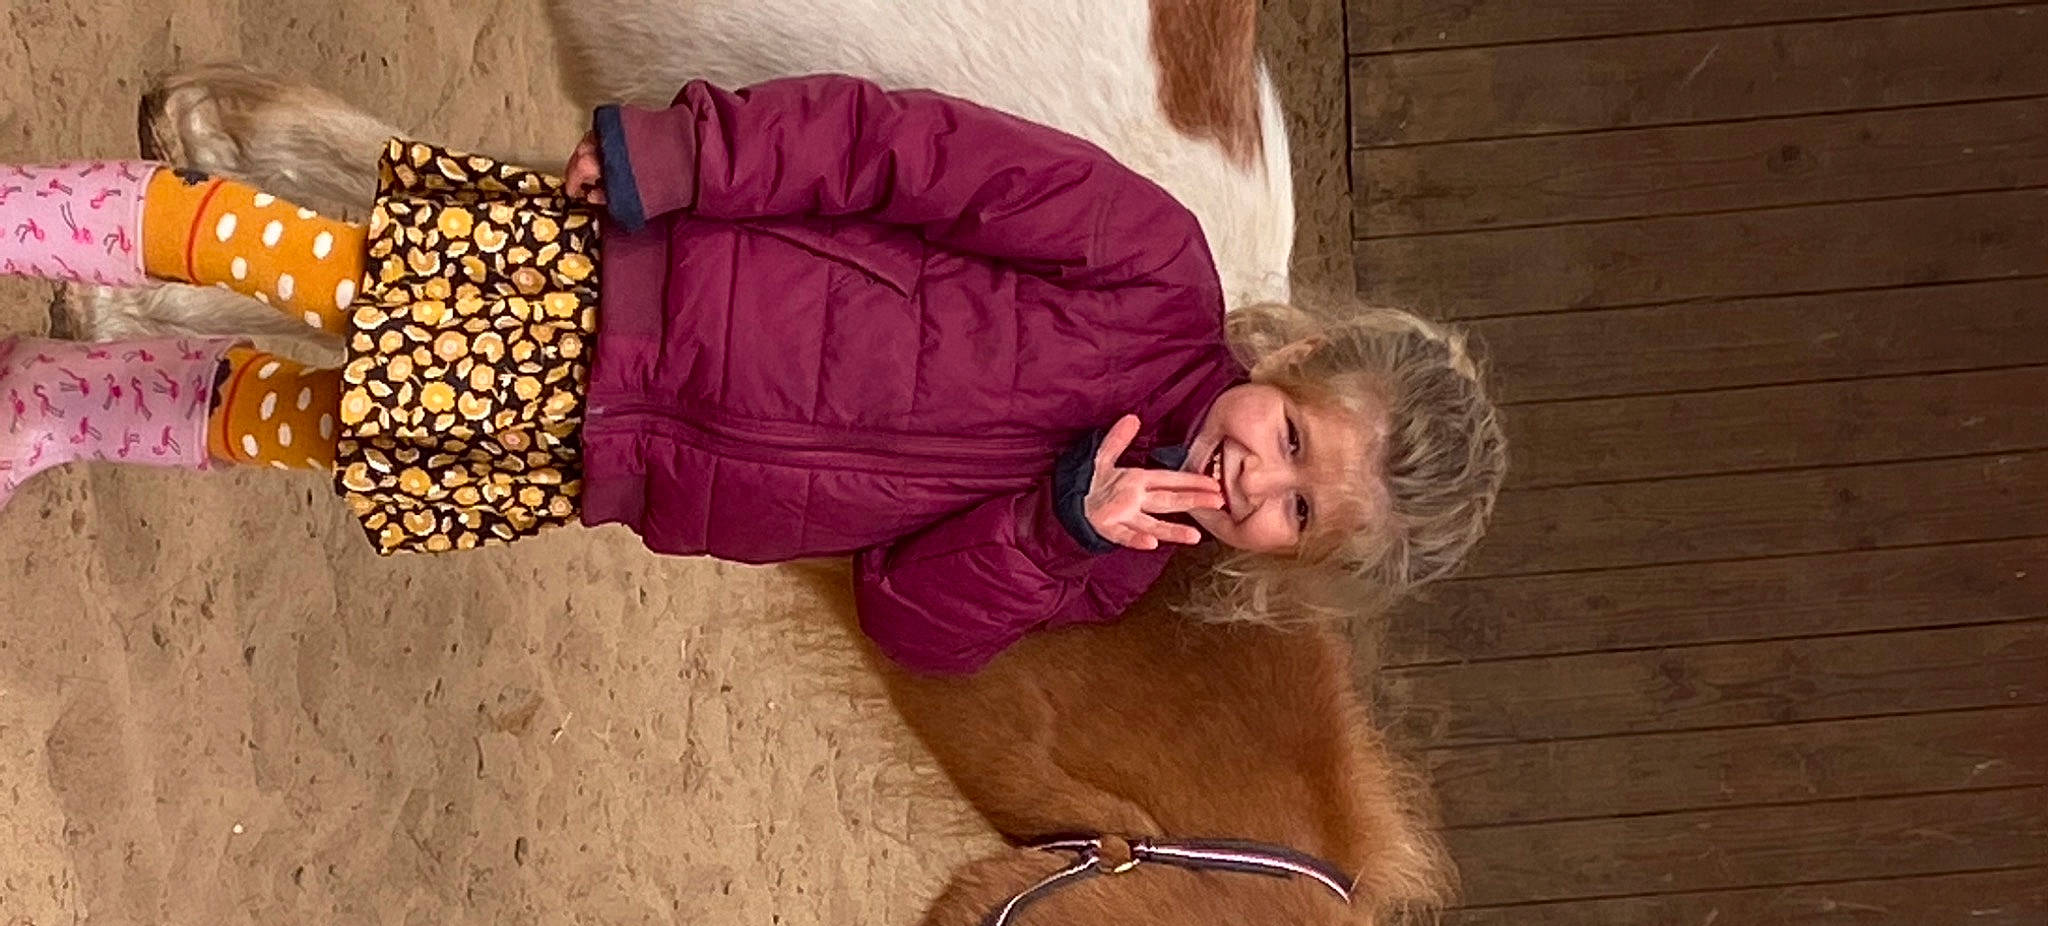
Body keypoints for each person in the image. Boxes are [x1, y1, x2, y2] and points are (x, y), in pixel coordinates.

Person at [0, 74, 1504, 673]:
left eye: (1300, 510)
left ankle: (55, 405)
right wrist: (688, 151)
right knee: (306, 259)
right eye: (1295, 431)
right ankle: (34, 219)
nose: (1260, 474)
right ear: (1295, 357)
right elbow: (897, 151)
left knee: (330, 426)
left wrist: (1056, 528)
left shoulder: (1105, 569)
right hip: (620, 295)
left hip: (621, 463)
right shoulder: (1150, 260)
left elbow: (911, 619)